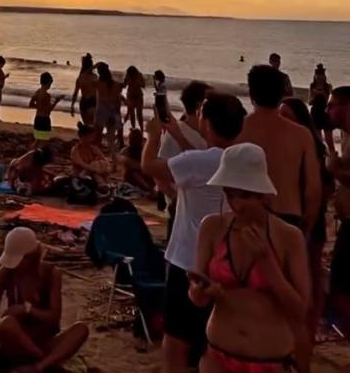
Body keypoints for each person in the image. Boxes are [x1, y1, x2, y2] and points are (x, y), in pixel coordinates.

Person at [142, 93, 246, 373]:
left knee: (176, 343)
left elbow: (149, 166)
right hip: (227, 262)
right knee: (210, 341)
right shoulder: (242, 160)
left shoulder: (197, 162)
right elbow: (200, 160)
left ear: (208, 123)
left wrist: (152, 136)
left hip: (187, 262)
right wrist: (176, 131)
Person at [190, 143, 310, 373]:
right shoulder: (212, 227)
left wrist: (267, 262)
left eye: (245, 195)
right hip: (218, 355)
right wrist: (199, 291)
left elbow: (299, 310)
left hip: (269, 361)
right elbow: (197, 294)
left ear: (263, 195)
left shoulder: (288, 236)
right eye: (229, 194)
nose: (236, 204)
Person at [0, 227, 89, 372]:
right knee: (6, 324)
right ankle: (46, 361)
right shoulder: (7, 273)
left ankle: (39, 367)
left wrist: (27, 310)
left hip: (45, 340)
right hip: (17, 342)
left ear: (31, 257)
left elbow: (53, 318)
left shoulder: (51, 274)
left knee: (81, 329)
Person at [238, 65, 321, 232]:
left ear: (251, 93)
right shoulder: (301, 134)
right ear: (282, 94)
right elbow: (313, 188)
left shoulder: (237, 129)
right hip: (289, 214)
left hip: (247, 214)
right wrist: (309, 223)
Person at [280, 97, 333, 343]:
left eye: (287, 116)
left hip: (309, 220)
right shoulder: (284, 145)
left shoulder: (309, 145)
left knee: (308, 277)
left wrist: (308, 221)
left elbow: (320, 190)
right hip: (292, 219)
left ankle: (306, 332)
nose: (282, 122)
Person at [326, 86, 350, 336]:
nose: (328, 110)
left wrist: (335, 171)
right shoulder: (344, 133)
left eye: (333, 105)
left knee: (341, 286)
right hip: (345, 219)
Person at [70, 123, 111, 192]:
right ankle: (102, 185)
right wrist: (95, 169)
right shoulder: (76, 150)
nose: (93, 139)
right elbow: (82, 164)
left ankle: (107, 184)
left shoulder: (92, 148)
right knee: (94, 169)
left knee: (100, 166)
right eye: (90, 137)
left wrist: (103, 167)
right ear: (83, 137)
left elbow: (104, 159)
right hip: (80, 173)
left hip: (91, 171)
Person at [94, 62, 124, 160]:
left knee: (97, 138)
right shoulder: (116, 84)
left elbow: (83, 75)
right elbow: (118, 100)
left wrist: (92, 66)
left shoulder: (98, 83)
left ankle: (97, 158)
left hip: (102, 111)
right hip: (113, 112)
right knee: (111, 139)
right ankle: (114, 161)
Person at [309, 64, 335, 156]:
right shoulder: (312, 86)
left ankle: (332, 155)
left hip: (325, 112)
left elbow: (330, 102)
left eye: (322, 76)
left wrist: (323, 94)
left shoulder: (328, 86)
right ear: (315, 76)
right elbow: (310, 102)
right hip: (316, 112)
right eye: (318, 76)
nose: (320, 78)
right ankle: (321, 155)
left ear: (324, 76)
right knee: (318, 137)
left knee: (329, 138)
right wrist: (315, 95)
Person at [120, 129, 156, 195]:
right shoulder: (125, 151)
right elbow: (128, 163)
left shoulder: (143, 150)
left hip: (145, 173)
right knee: (134, 173)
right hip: (133, 177)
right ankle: (150, 189)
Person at [30, 72, 60, 144]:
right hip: (44, 119)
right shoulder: (47, 95)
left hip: (38, 118)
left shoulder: (37, 92)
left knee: (37, 140)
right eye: (50, 83)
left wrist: (39, 106)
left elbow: (31, 104)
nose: (50, 85)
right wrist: (56, 101)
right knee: (44, 141)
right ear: (48, 83)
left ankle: (32, 152)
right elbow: (48, 111)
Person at [70, 54, 98, 125]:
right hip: (93, 102)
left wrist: (72, 106)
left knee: (87, 125)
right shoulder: (95, 77)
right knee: (93, 126)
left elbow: (75, 93)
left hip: (84, 102)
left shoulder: (80, 78)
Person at [124, 65, 146, 130]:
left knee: (136, 114)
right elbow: (124, 85)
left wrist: (138, 82)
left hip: (135, 96)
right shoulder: (131, 76)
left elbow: (143, 85)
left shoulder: (138, 75)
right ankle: (136, 129)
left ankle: (139, 129)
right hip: (133, 96)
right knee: (134, 114)